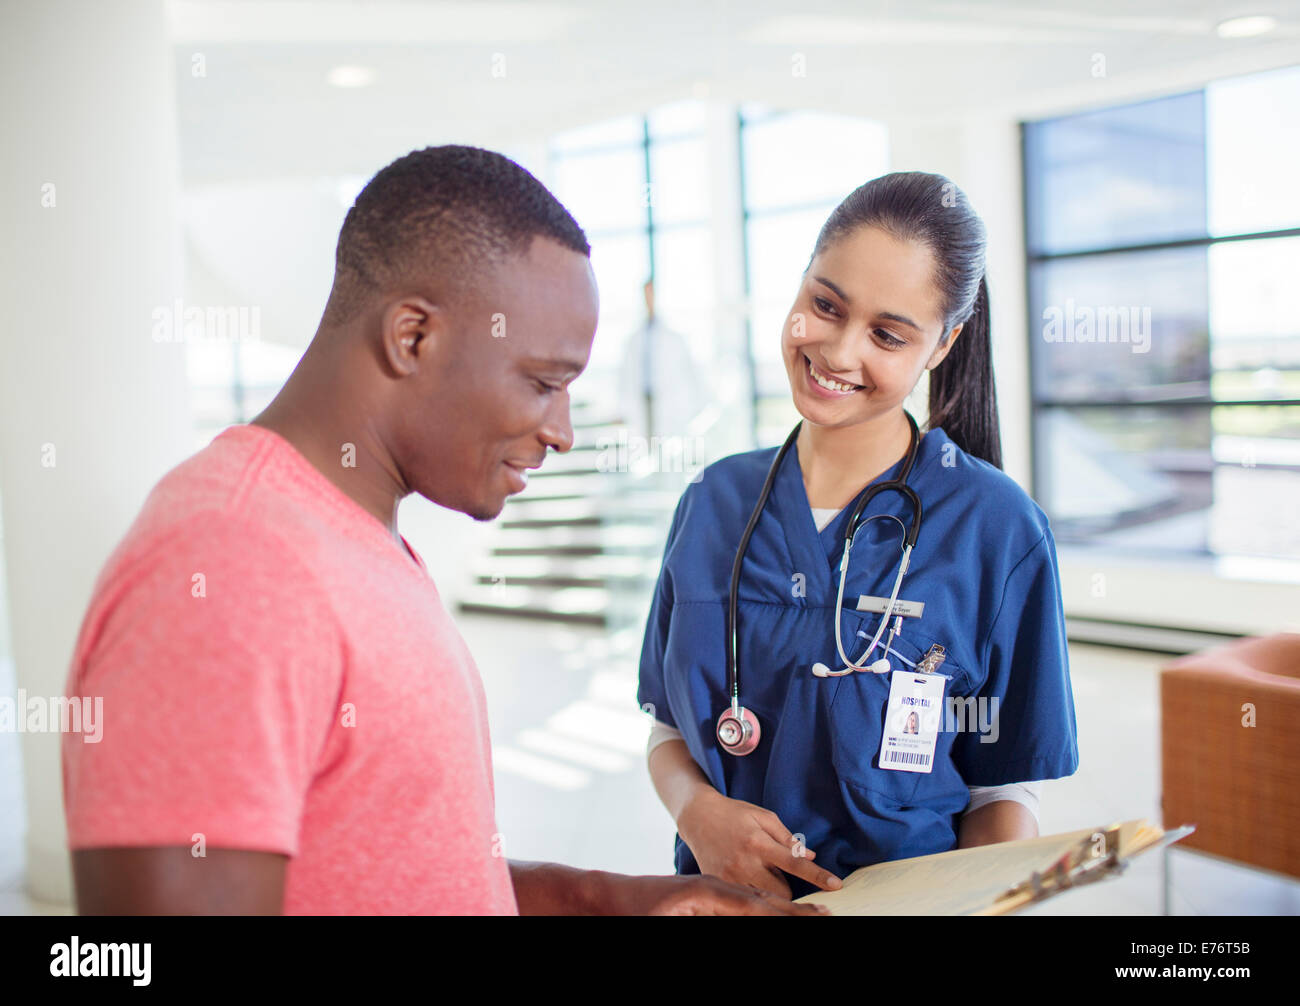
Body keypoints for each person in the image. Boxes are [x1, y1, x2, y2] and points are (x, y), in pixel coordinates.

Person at [60, 145, 826, 916]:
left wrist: (613, 901)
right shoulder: (231, 563)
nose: (561, 430)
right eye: (541, 382)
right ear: (413, 337)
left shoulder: (358, 540)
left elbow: (410, 875)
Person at [638, 171, 1079, 901]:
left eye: (886, 334)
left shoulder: (997, 529)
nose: (838, 353)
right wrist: (697, 813)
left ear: (942, 346)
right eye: (825, 305)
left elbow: (1003, 788)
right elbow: (666, 727)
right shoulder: (712, 501)